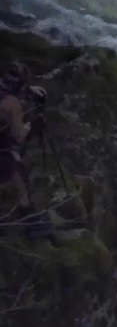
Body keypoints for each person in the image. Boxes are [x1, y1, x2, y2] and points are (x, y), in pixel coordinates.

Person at [0, 61, 51, 239]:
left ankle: (26, 213)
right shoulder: (12, 103)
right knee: (18, 168)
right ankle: (29, 220)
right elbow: (20, 136)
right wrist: (31, 124)